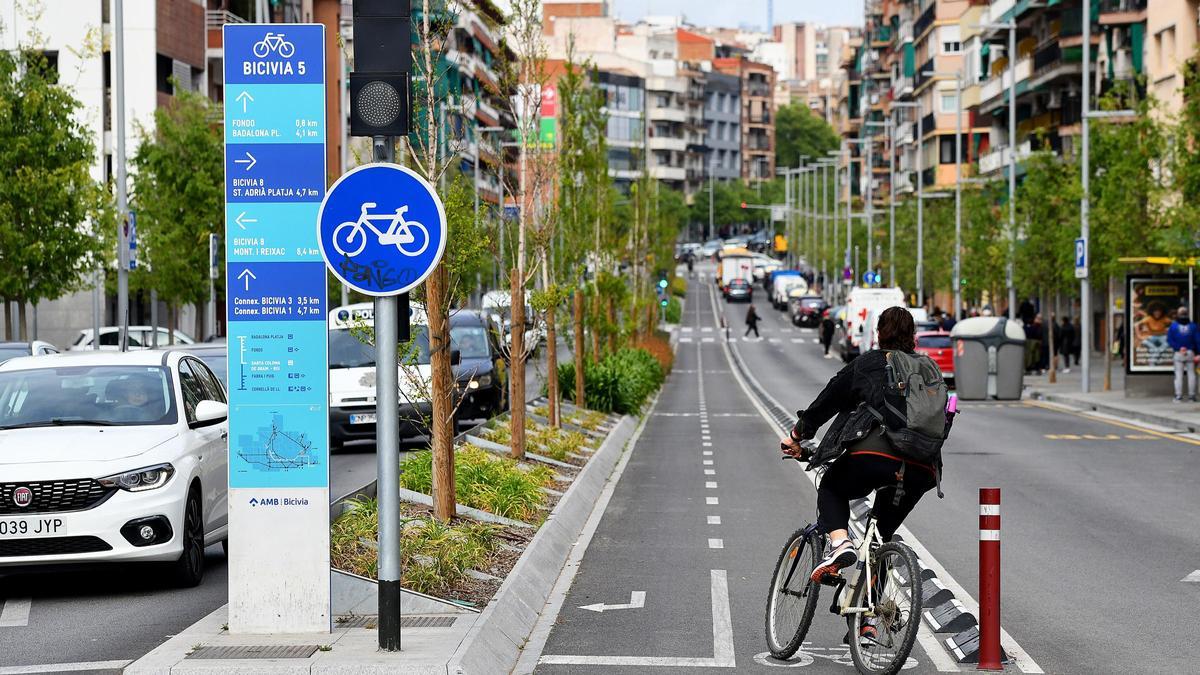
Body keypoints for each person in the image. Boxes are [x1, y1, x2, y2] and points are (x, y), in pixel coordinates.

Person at [781, 307, 950, 583]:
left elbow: (828, 400)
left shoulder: (870, 362)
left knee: (832, 487)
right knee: (881, 538)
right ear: (913, 336)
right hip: (922, 467)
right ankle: (873, 608)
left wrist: (796, 435)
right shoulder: (929, 369)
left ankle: (840, 545)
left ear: (879, 333)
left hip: (874, 454)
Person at [1167, 306, 1199, 402]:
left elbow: (1169, 340)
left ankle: (1178, 396)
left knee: (1178, 375)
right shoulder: (1193, 326)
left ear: (1178, 314)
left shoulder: (1173, 326)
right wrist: (1198, 353)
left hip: (1178, 352)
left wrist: (1179, 348)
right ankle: (1192, 396)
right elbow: (1198, 340)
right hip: (1190, 352)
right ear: (1187, 314)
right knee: (1192, 374)